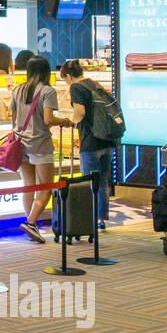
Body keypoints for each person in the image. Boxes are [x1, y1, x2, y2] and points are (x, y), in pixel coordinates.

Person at [10, 56, 72, 243]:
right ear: (46, 72)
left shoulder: (17, 90)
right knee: (45, 186)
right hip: (40, 144)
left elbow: (13, 121)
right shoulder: (47, 91)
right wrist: (66, 121)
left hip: (20, 144)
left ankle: (31, 223)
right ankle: (30, 222)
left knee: (29, 186)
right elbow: (48, 120)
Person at [60, 59, 112, 229]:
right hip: (107, 139)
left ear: (68, 76)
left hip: (90, 141)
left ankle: (88, 219)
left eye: (65, 79)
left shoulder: (76, 87)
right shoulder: (93, 83)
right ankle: (100, 220)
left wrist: (72, 123)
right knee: (102, 181)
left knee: (88, 181)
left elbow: (80, 111)